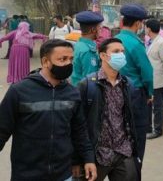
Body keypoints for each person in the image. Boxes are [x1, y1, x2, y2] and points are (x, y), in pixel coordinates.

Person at [0, 39, 97, 181]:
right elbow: (2, 130)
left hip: (63, 174)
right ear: (45, 61)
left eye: (71, 59)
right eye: (62, 59)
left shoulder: (73, 93)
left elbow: (80, 131)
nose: (68, 64)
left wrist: (88, 158)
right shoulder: (19, 91)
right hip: (26, 175)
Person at [75, 38, 139, 181]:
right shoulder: (86, 85)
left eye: (122, 52)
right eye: (116, 51)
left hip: (123, 151)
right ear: (103, 56)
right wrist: (79, 159)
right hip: (97, 155)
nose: (121, 55)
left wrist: (134, 148)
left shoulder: (127, 84)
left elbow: (131, 119)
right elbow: (78, 124)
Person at [115, 4, 153, 165]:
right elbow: (147, 73)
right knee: (136, 136)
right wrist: (150, 93)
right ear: (138, 24)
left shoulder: (115, 40)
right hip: (135, 93)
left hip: (115, 90)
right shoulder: (136, 44)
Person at [145, 19, 163, 139]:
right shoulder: (151, 41)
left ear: (149, 29)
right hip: (151, 78)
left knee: (158, 106)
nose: (144, 29)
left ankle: (158, 130)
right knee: (150, 105)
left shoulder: (161, 42)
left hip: (158, 79)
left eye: (145, 27)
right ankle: (149, 127)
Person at [71, 11, 104, 86]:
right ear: (93, 30)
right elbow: (90, 79)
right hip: (85, 91)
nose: (100, 31)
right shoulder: (88, 51)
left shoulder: (80, 44)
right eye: (99, 28)